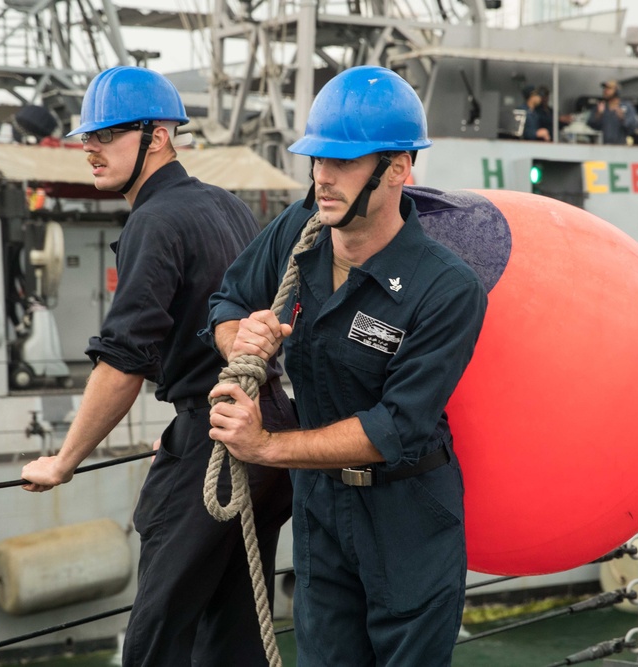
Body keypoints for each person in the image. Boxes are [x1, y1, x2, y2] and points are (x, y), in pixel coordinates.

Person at [205, 66, 487, 666]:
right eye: (316, 160)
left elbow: (395, 428)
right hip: (321, 512)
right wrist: (242, 341)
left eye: (343, 162)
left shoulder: (447, 289)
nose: (322, 178)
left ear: (398, 169)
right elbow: (226, 303)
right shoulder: (298, 232)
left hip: (408, 517)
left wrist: (267, 448)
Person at [19, 66, 295, 667]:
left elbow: (123, 363)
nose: (89, 147)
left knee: (156, 638)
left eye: (108, 133)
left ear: (159, 135)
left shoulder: (154, 219)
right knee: (234, 630)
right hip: (263, 430)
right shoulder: (225, 205)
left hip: (216, 440)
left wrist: (65, 461)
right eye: (88, 137)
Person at [587, 79, 637, 144]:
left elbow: (632, 128)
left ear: (617, 91)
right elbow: (591, 126)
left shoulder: (627, 107)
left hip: (620, 147)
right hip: (602, 147)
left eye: (609, 88)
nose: (605, 91)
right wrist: (598, 114)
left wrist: (622, 117)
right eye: (605, 88)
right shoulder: (600, 107)